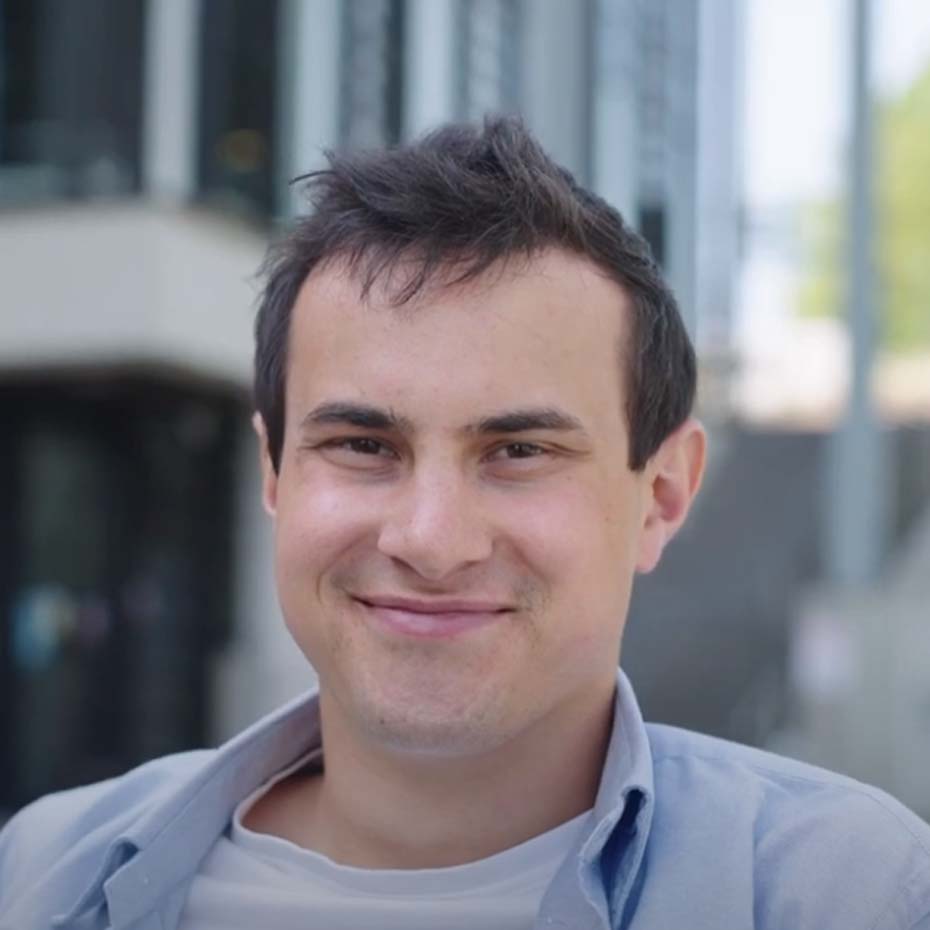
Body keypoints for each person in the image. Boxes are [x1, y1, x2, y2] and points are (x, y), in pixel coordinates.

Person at [1, 117, 928, 930]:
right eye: (364, 444)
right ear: (274, 472)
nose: (432, 539)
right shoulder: (47, 873)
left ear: (663, 497)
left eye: (519, 452)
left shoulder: (844, 893)